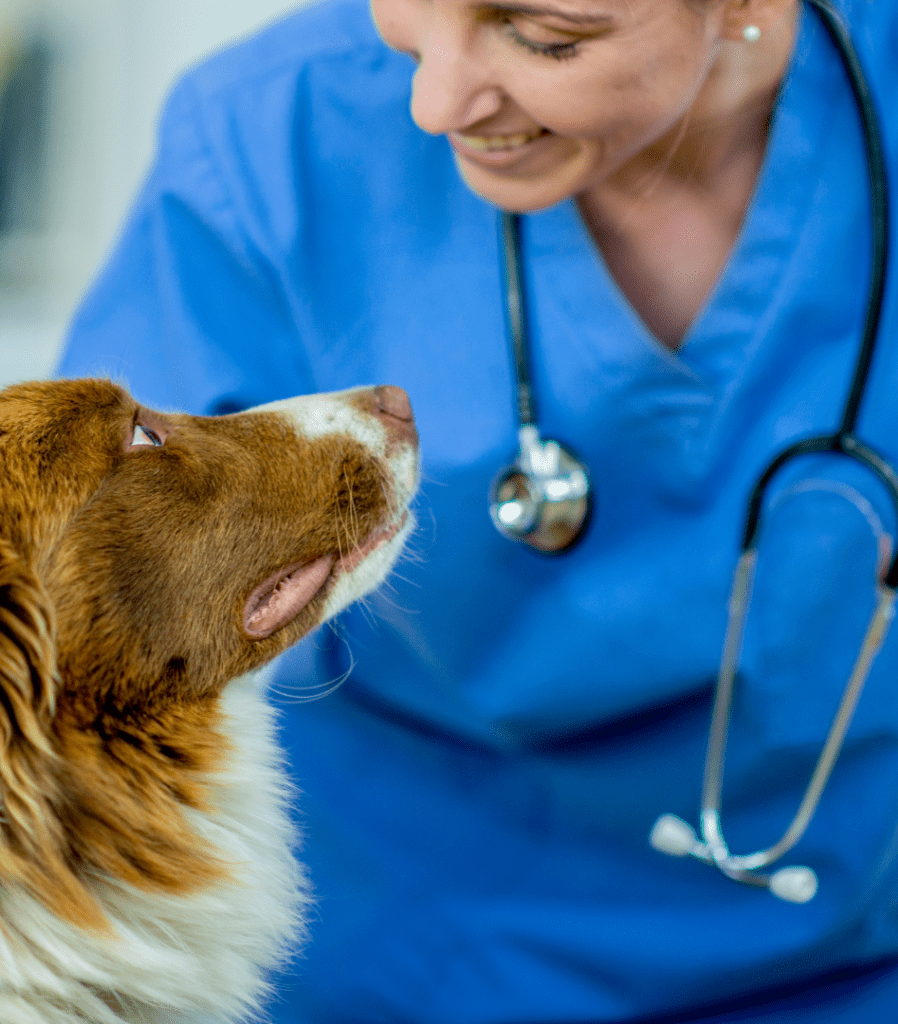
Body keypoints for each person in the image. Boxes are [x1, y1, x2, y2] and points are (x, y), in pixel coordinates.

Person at [57, 0, 898, 1019]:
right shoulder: (273, 135)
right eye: (406, 22)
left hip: (850, 950)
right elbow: (100, 610)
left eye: (544, 36)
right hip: (409, 960)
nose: (433, 101)